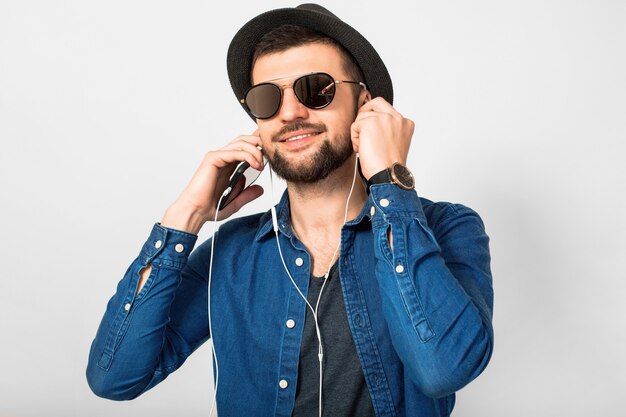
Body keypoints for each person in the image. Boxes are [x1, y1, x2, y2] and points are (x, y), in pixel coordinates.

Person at [86, 4, 494, 417]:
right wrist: (185, 216)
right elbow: (114, 376)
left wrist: (390, 180)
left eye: (316, 89)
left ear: (365, 106)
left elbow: (442, 369)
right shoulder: (230, 253)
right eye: (267, 99)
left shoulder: (447, 228)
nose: (290, 113)